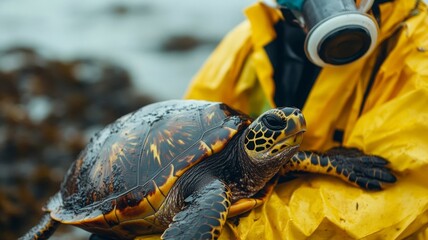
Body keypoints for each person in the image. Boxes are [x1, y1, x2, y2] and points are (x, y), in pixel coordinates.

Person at [184, 0, 428, 239]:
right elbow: (185, 141)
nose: (295, 122)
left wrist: (214, 231)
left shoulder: (419, 51)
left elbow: (388, 204)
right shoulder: (246, 41)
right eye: (277, 125)